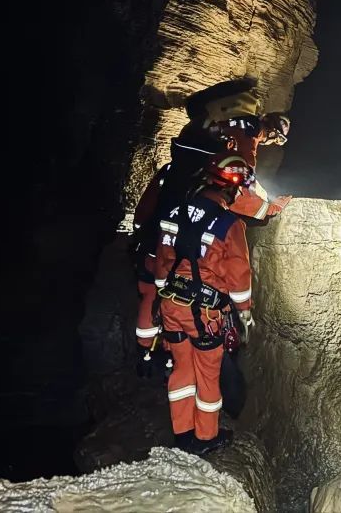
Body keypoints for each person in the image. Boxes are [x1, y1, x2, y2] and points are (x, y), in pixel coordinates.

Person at [134, 149, 256, 455]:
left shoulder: (175, 212)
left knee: (182, 369)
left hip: (171, 305)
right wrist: (244, 314)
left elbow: (163, 261)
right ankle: (205, 437)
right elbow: (239, 275)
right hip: (204, 313)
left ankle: (183, 434)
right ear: (232, 189)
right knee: (207, 375)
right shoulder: (229, 224)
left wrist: (161, 299)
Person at [185, 78, 293, 222]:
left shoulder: (233, 123)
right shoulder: (252, 135)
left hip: (189, 162)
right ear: (273, 133)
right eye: (277, 139)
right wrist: (272, 208)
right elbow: (244, 187)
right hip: (203, 187)